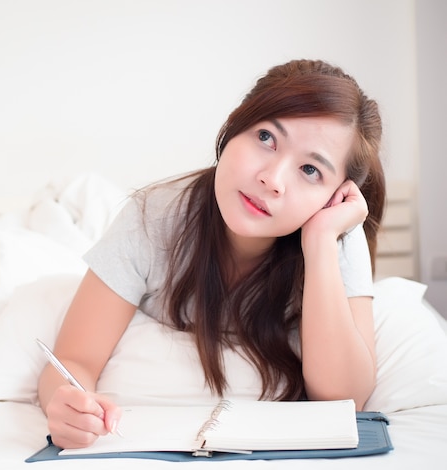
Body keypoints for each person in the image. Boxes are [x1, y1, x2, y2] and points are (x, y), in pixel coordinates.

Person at [37, 59, 386, 449]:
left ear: (335, 196)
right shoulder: (153, 217)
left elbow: (346, 399)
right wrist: (66, 405)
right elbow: (74, 360)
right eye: (267, 138)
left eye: (310, 170)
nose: (272, 178)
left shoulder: (335, 232)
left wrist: (320, 243)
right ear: (234, 127)